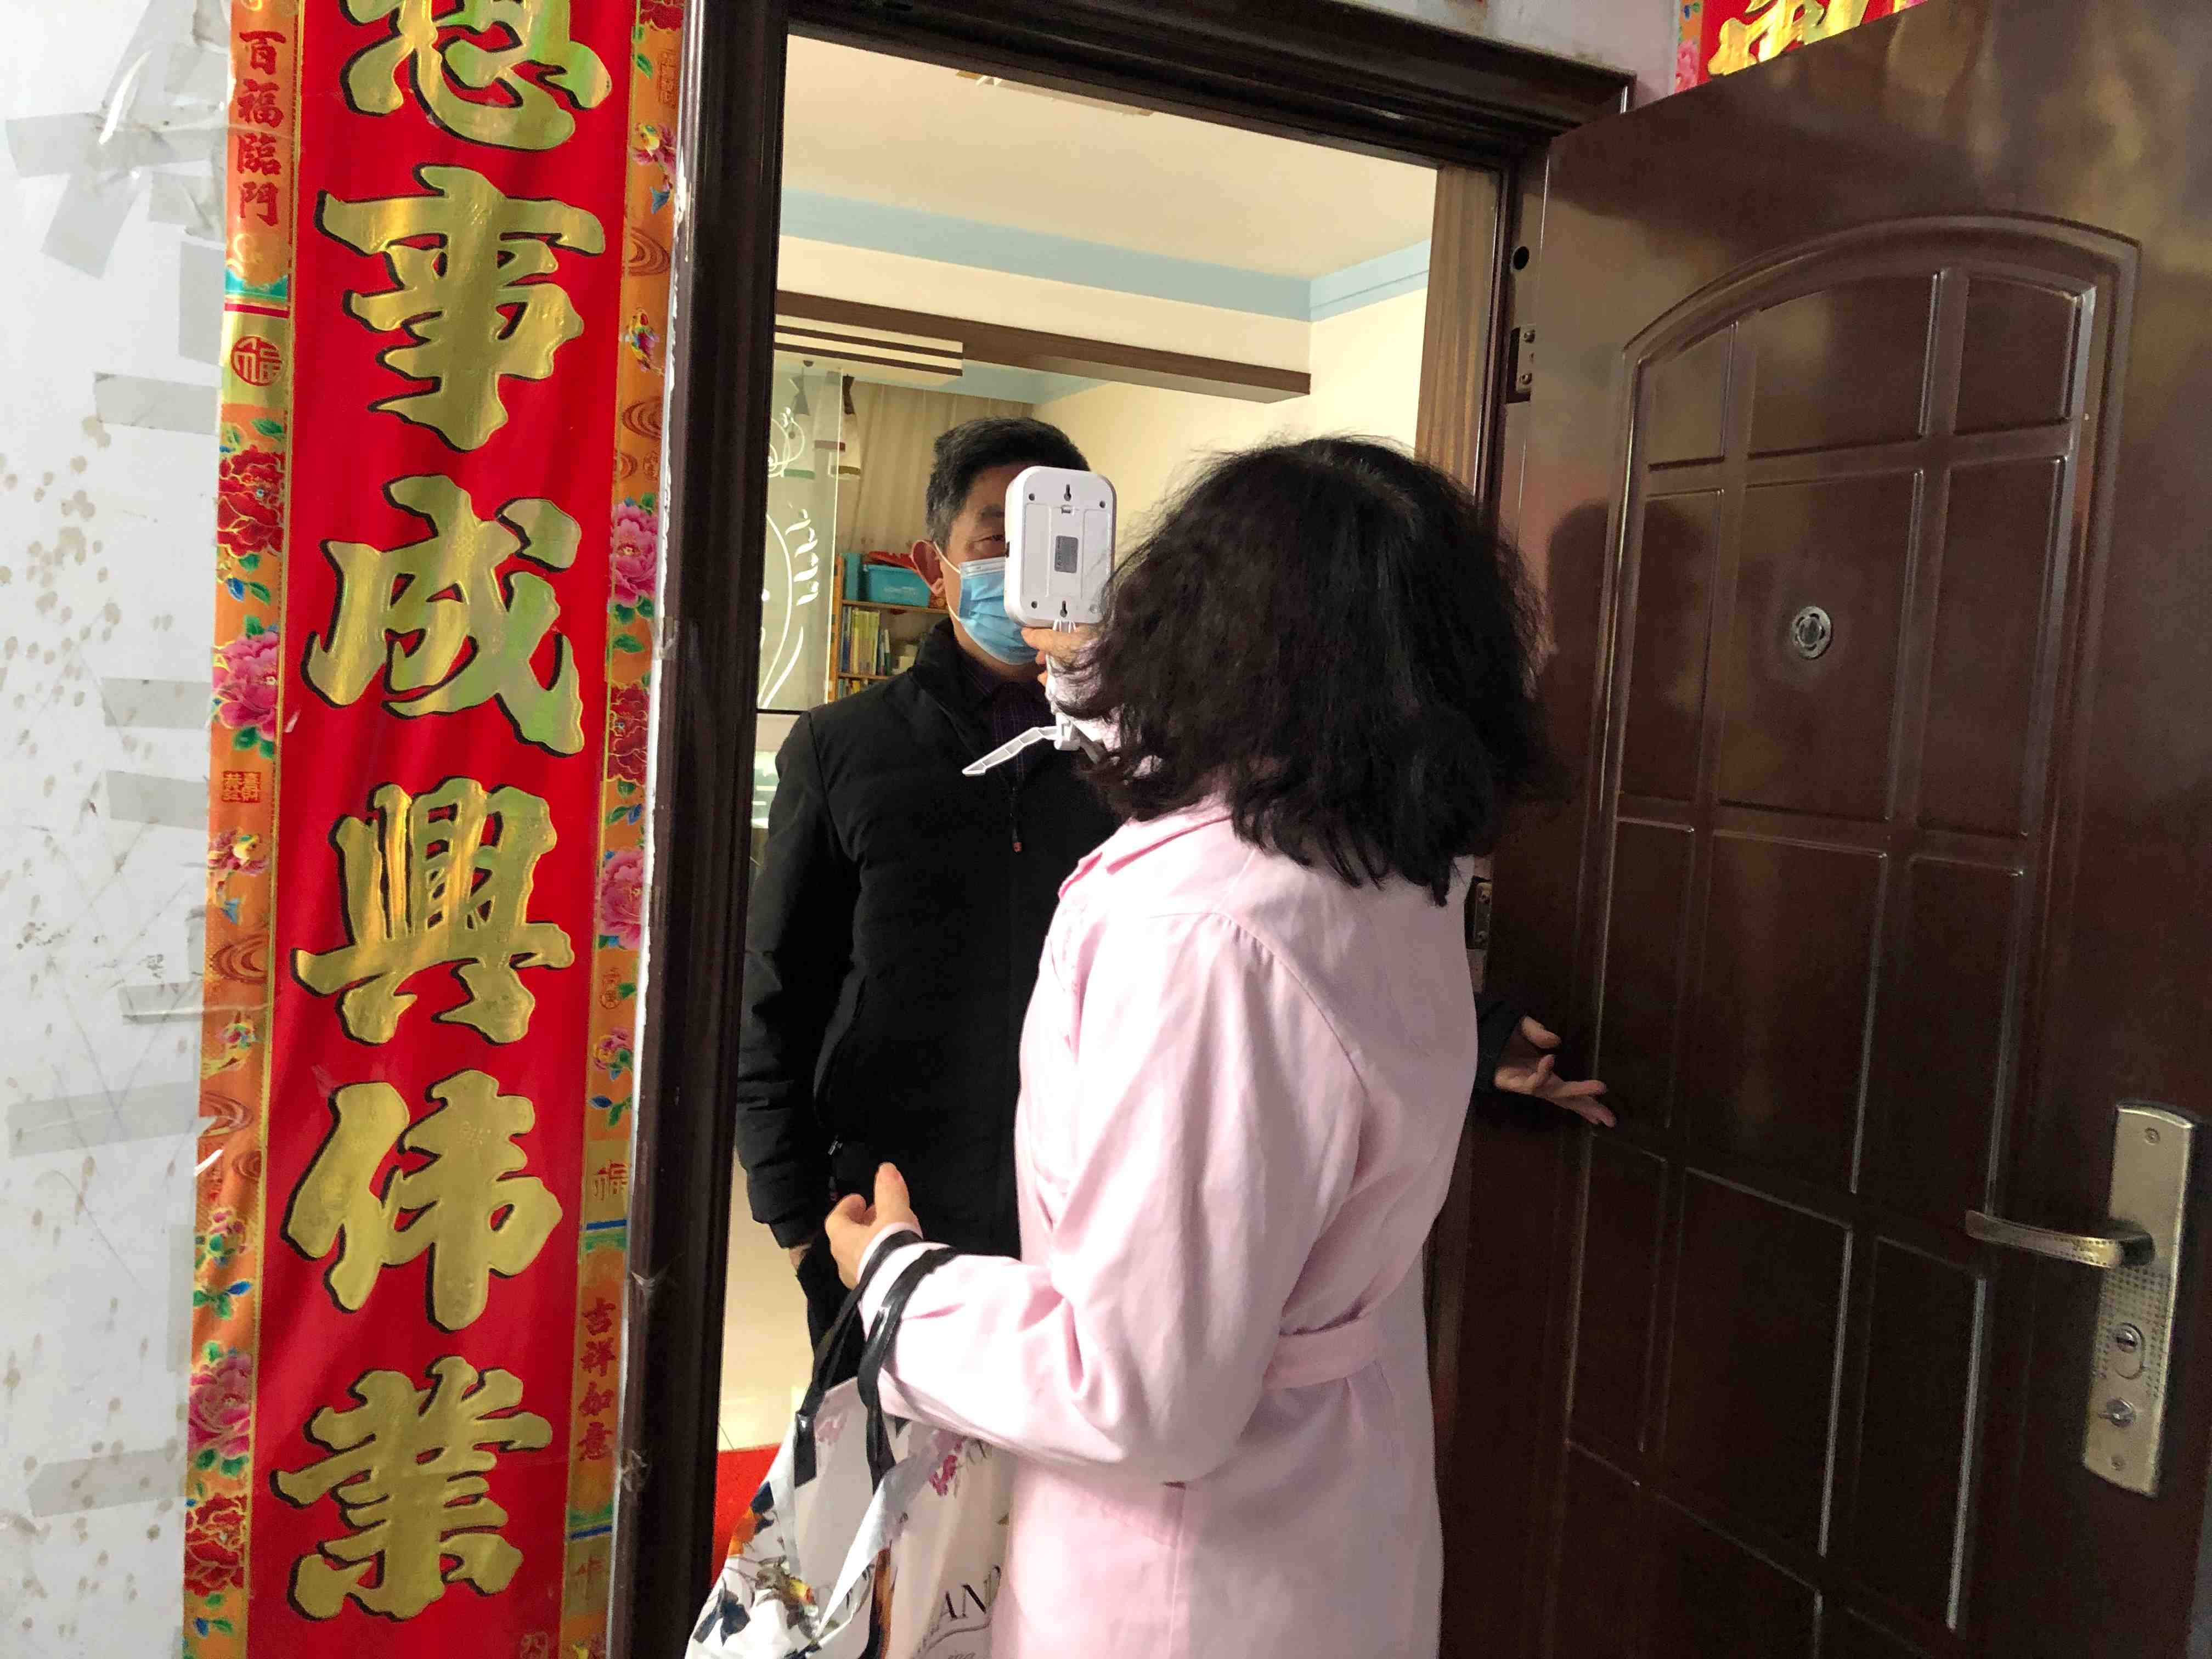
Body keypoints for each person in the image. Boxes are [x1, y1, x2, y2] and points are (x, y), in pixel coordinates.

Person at [824, 437, 1610, 1658]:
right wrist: (1080, 670)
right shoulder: (1390, 862)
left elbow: (1136, 1393)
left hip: (1185, 1580)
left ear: (1204, 633)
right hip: (1332, 1519)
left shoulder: (1204, 936)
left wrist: (897, 1288)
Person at [734, 417, 1119, 1352]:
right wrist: (797, 1221)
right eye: (998, 540)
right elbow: (777, 992)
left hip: (1090, 1212)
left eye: (1059, 541)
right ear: (933, 567)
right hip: (887, 1210)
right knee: (877, 1440)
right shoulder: (843, 748)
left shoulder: (1139, 757)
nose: (1027, 567)